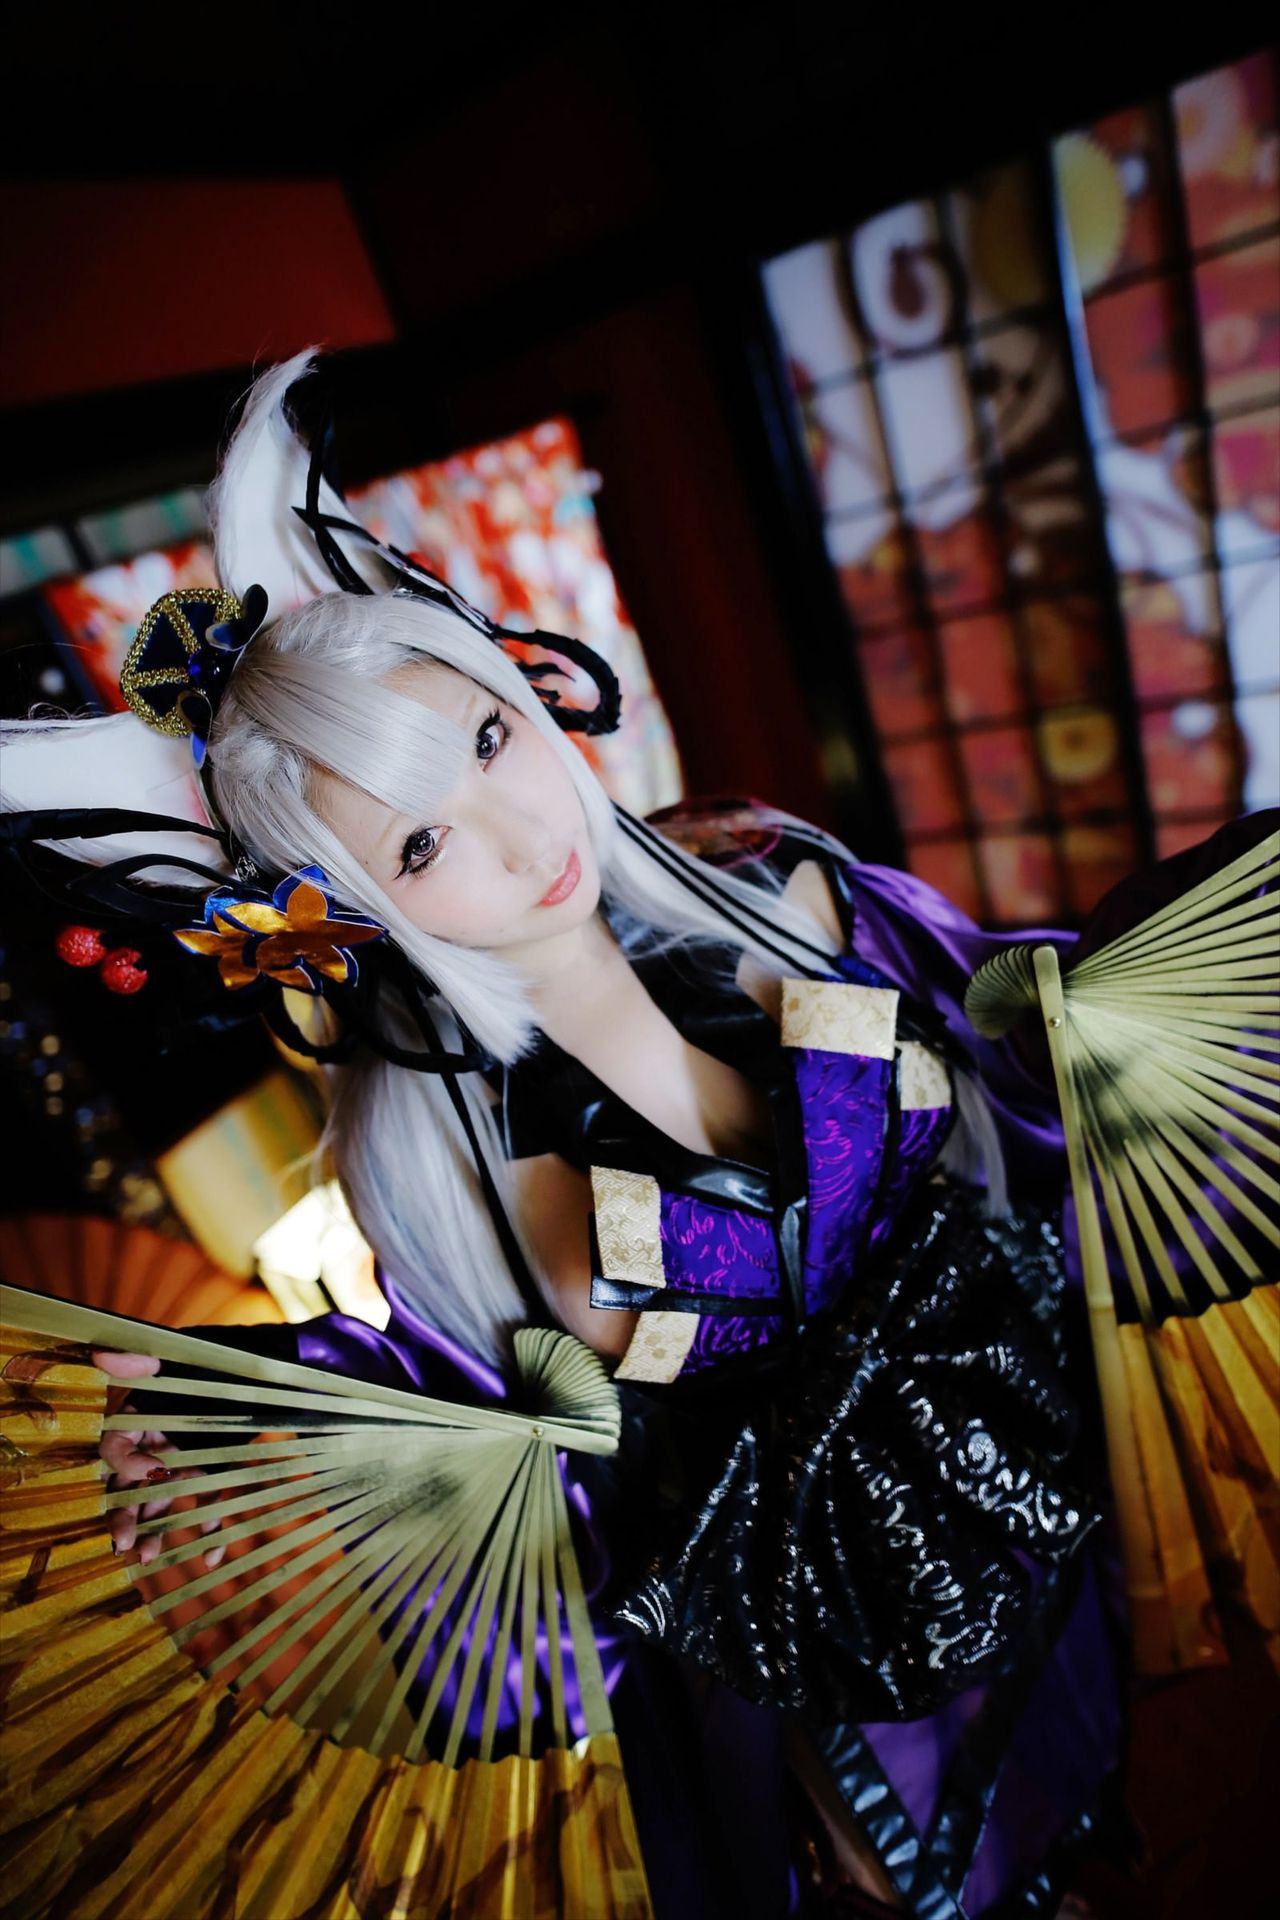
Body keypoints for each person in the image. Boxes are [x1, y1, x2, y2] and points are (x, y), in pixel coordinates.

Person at [0, 352, 1126, 1919]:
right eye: (418, 844)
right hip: (851, 1687)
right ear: (344, 917)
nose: (523, 830)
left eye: (483, 739)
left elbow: (1024, 1092)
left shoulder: (786, 896)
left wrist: (1097, 1027)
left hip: (1050, 1474)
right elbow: (525, 1530)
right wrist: (242, 1451)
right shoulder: (468, 1186)